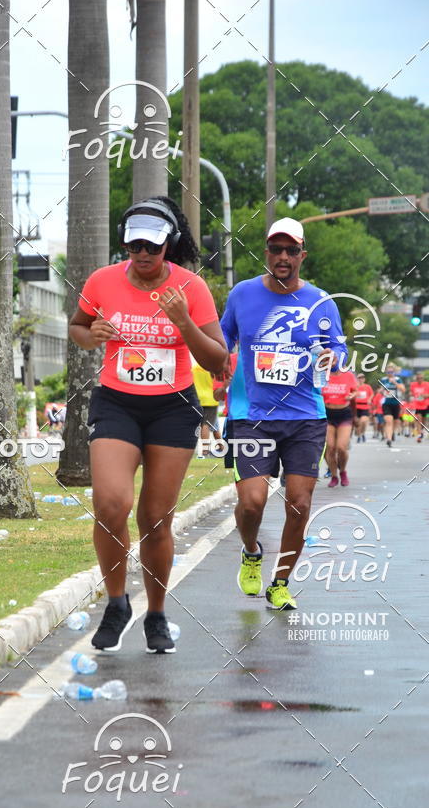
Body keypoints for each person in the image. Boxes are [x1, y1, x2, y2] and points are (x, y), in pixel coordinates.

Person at [69, 196, 227, 653]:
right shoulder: (102, 281)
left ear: (168, 246)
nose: (141, 255)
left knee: (156, 520)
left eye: (152, 248)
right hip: (116, 401)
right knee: (111, 504)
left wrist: (184, 323)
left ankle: (155, 613)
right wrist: (90, 334)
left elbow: (217, 359)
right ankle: (116, 603)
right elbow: (77, 326)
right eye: (134, 246)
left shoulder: (191, 288)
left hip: (173, 406)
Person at [220, 217, 346, 611]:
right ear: (266, 253)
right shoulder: (242, 294)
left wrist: (331, 356)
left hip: (306, 416)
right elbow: (222, 338)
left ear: (302, 255)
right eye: (276, 249)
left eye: (292, 250)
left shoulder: (321, 301)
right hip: (252, 414)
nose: (283, 256)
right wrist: (220, 357)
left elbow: (339, 351)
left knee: (300, 503)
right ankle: (251, 550)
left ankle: (281, 581)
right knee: (253, 502)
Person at [321, 369, 358, 487]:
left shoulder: (348, 375)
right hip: (327, 413)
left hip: (344, 413)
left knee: (341, 447)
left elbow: (355, 391)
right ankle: (334, 476)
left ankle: (342, 472)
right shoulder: (322, 374)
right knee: (330, 447)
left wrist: (353, 395)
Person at [192, 360, 221, 456]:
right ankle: (205, 451)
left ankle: (221, 448)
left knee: (203, 425)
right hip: (211, 399)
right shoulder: (213, 369)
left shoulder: (194, 368)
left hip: (197, 399)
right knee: (206, 425)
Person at [378, 364, 405, 448]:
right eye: (388, 372)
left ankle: (392, 433)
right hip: (386, 403)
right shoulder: (383, 380)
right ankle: (389, 439)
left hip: (396, 403)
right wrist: (382, 390)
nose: (390, 373)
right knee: (389, 421)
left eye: (391, 372)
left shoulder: (398, 379)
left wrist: (395, 383)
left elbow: (403, 389)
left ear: (394, 372)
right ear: (386, 372)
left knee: (396, 422)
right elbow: (380, 391)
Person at [354, 373, 373, 443]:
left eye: (362, 378)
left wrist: (369, 399)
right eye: (359, 378)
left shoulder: (367, 387)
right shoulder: (355, 386)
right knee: (358, 423)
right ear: (357, 379)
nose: (361, 379)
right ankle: (359, 436)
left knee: (363, 422)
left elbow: (372, 394)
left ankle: (363, 433)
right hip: (356, 406)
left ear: (364, 379)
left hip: (365, 406)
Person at [410, 372, 429, 442]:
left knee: (423, 421)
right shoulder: (413, 384)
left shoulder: (427, 384)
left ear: (423, 378)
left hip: (426, 405)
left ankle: (422, 431)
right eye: (418, 378)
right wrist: (411, 395)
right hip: (417, 405)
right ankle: (419, 435)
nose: (419, 379)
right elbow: (411, 393)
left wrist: (424, 396)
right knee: (418, 419)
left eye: (421, 378)